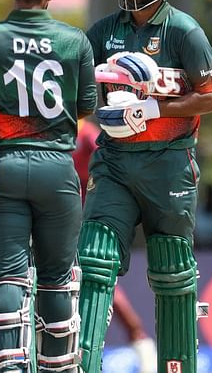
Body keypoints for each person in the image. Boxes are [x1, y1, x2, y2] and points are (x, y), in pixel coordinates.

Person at [76, 0, 212, 373]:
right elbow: (80, 95)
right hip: (116, 161)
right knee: (94, 259)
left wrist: (155, 106)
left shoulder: (183, 31)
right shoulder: (103, 32)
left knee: (172, 269)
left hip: (170, 162)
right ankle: (82, 364)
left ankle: (177, 366)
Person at [0, 0, 97, 373]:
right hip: (57, 168)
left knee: (8, 275)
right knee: (57, 276)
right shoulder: (76, 41)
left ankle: (11, 366)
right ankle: (58, 366)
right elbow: (86, 104)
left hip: (4, 168)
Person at [72, 119, 157, 373]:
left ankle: (140, 341)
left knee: (101, 283)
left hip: (88, 217)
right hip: (59, 215)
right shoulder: (52, 127)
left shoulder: (86, 134)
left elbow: (108, 160)